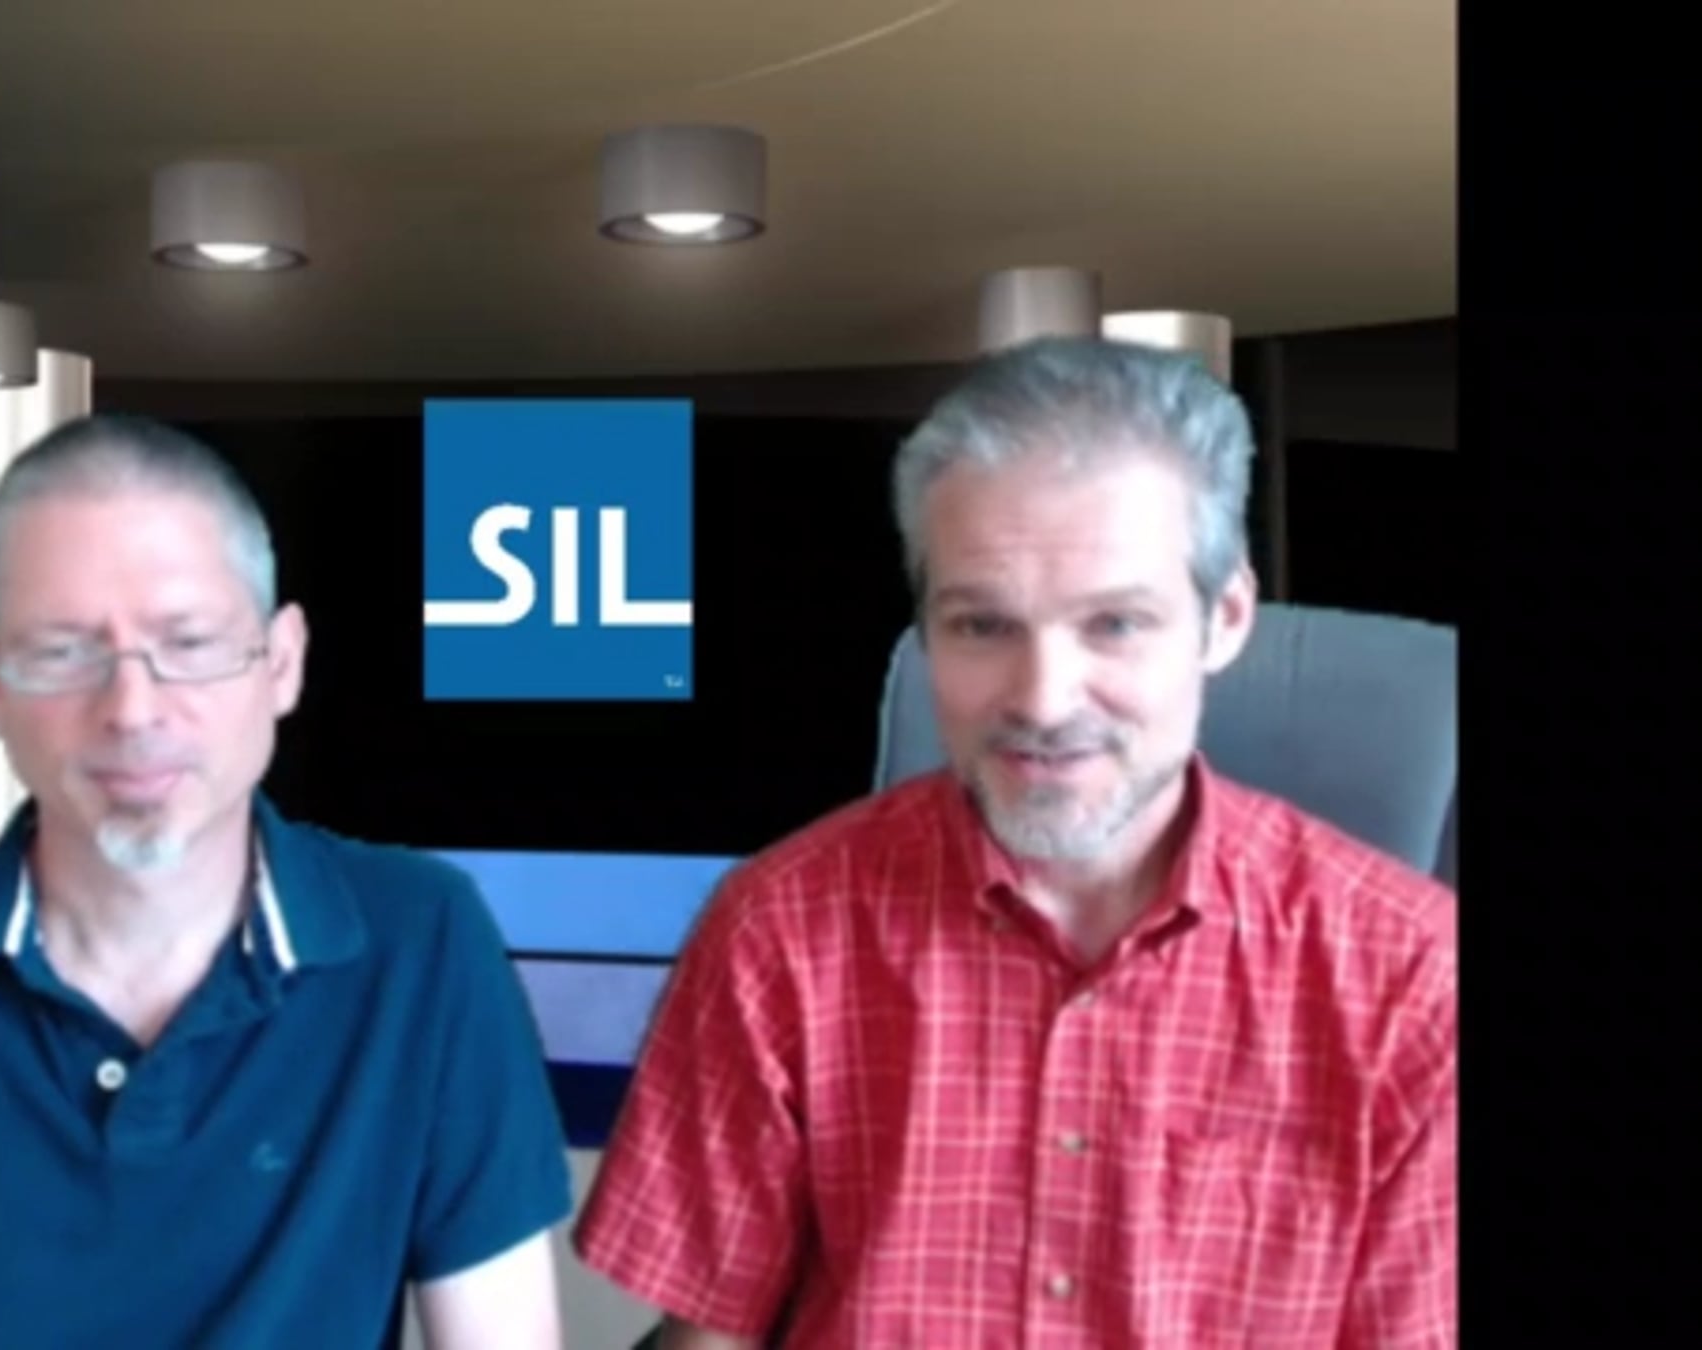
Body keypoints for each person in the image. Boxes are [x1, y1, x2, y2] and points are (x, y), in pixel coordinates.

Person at [571, 337, 1456, 1347]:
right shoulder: (779, 928)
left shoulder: (1416, 979)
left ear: (1224, 619)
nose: (1041, 699)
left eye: (1114, 624)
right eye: (983, 626)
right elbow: (711, 1333)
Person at [0, 414, 573, 1349]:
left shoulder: (423, 945)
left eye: (190, 642)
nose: (133, 710)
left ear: (282, 663)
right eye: (65, 652)